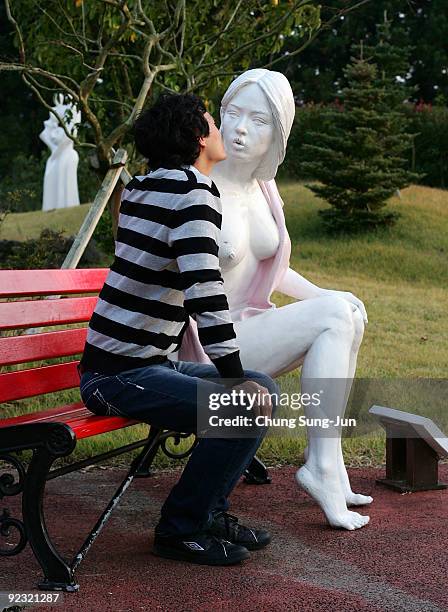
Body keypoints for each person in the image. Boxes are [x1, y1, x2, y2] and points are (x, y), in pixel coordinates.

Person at [78, 93, 280, 566]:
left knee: (262, 387)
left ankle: (207, 513)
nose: (219, 127)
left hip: (135, 365)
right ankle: (182, 528)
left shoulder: (143, 186)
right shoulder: (192, 193)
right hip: (117, 375)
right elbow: (205, 293)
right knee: (245, 403)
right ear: (196, 136)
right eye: (212, 120)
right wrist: (233, 376)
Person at [178, 69, 372, 531]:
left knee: (348, 311)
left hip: (250, 327)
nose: (241, 128)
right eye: (233, 113)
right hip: (208, 348)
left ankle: (330, 460)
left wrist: (330, 294)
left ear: (278, 134)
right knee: (332, 318)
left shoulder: (264, 188)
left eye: (259, 119)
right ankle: (320, 468)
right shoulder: (195, 186)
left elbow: (273, 268)